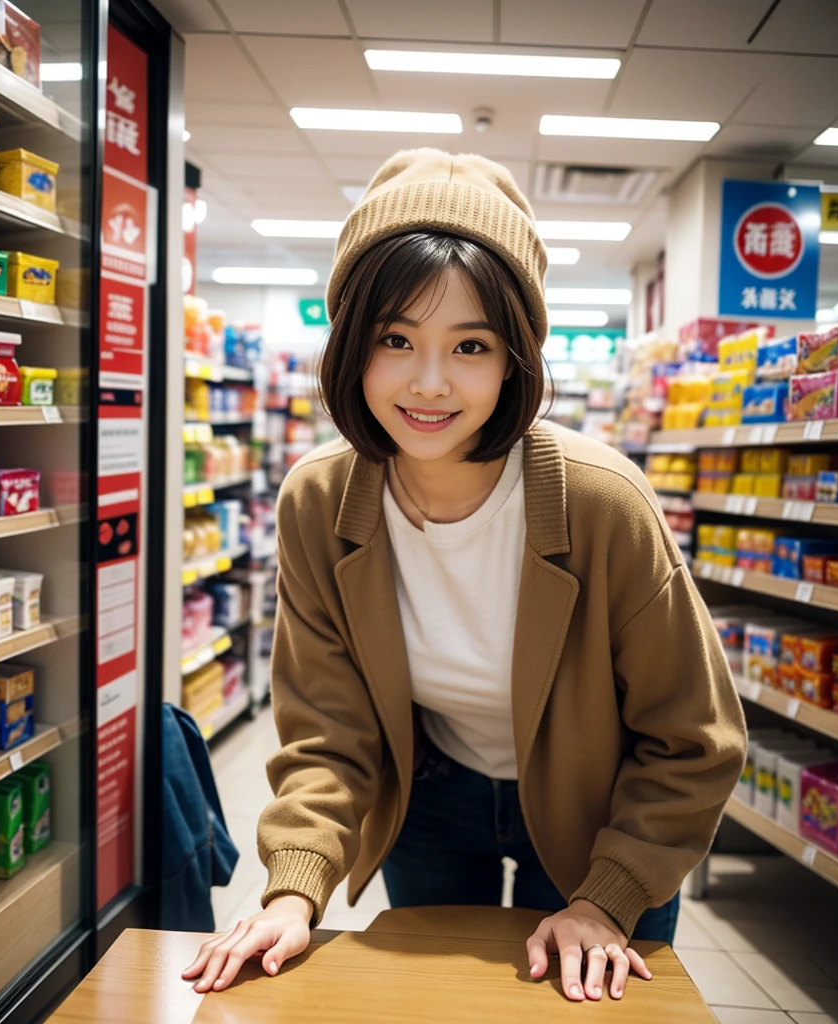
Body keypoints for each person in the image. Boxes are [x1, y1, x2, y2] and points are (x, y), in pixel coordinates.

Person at [183, 149, 747, 1002]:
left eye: (472, 344)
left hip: (605, 807)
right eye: (395, 339)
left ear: (517, 355)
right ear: (351, 346)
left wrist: (609, 897)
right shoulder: (318, 503)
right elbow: (328, 729)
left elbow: (692, 740)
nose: (430, 382)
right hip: (430, 793)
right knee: (434, 1005)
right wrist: (295, 888)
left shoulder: (604, 504)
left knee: (584, 1002)